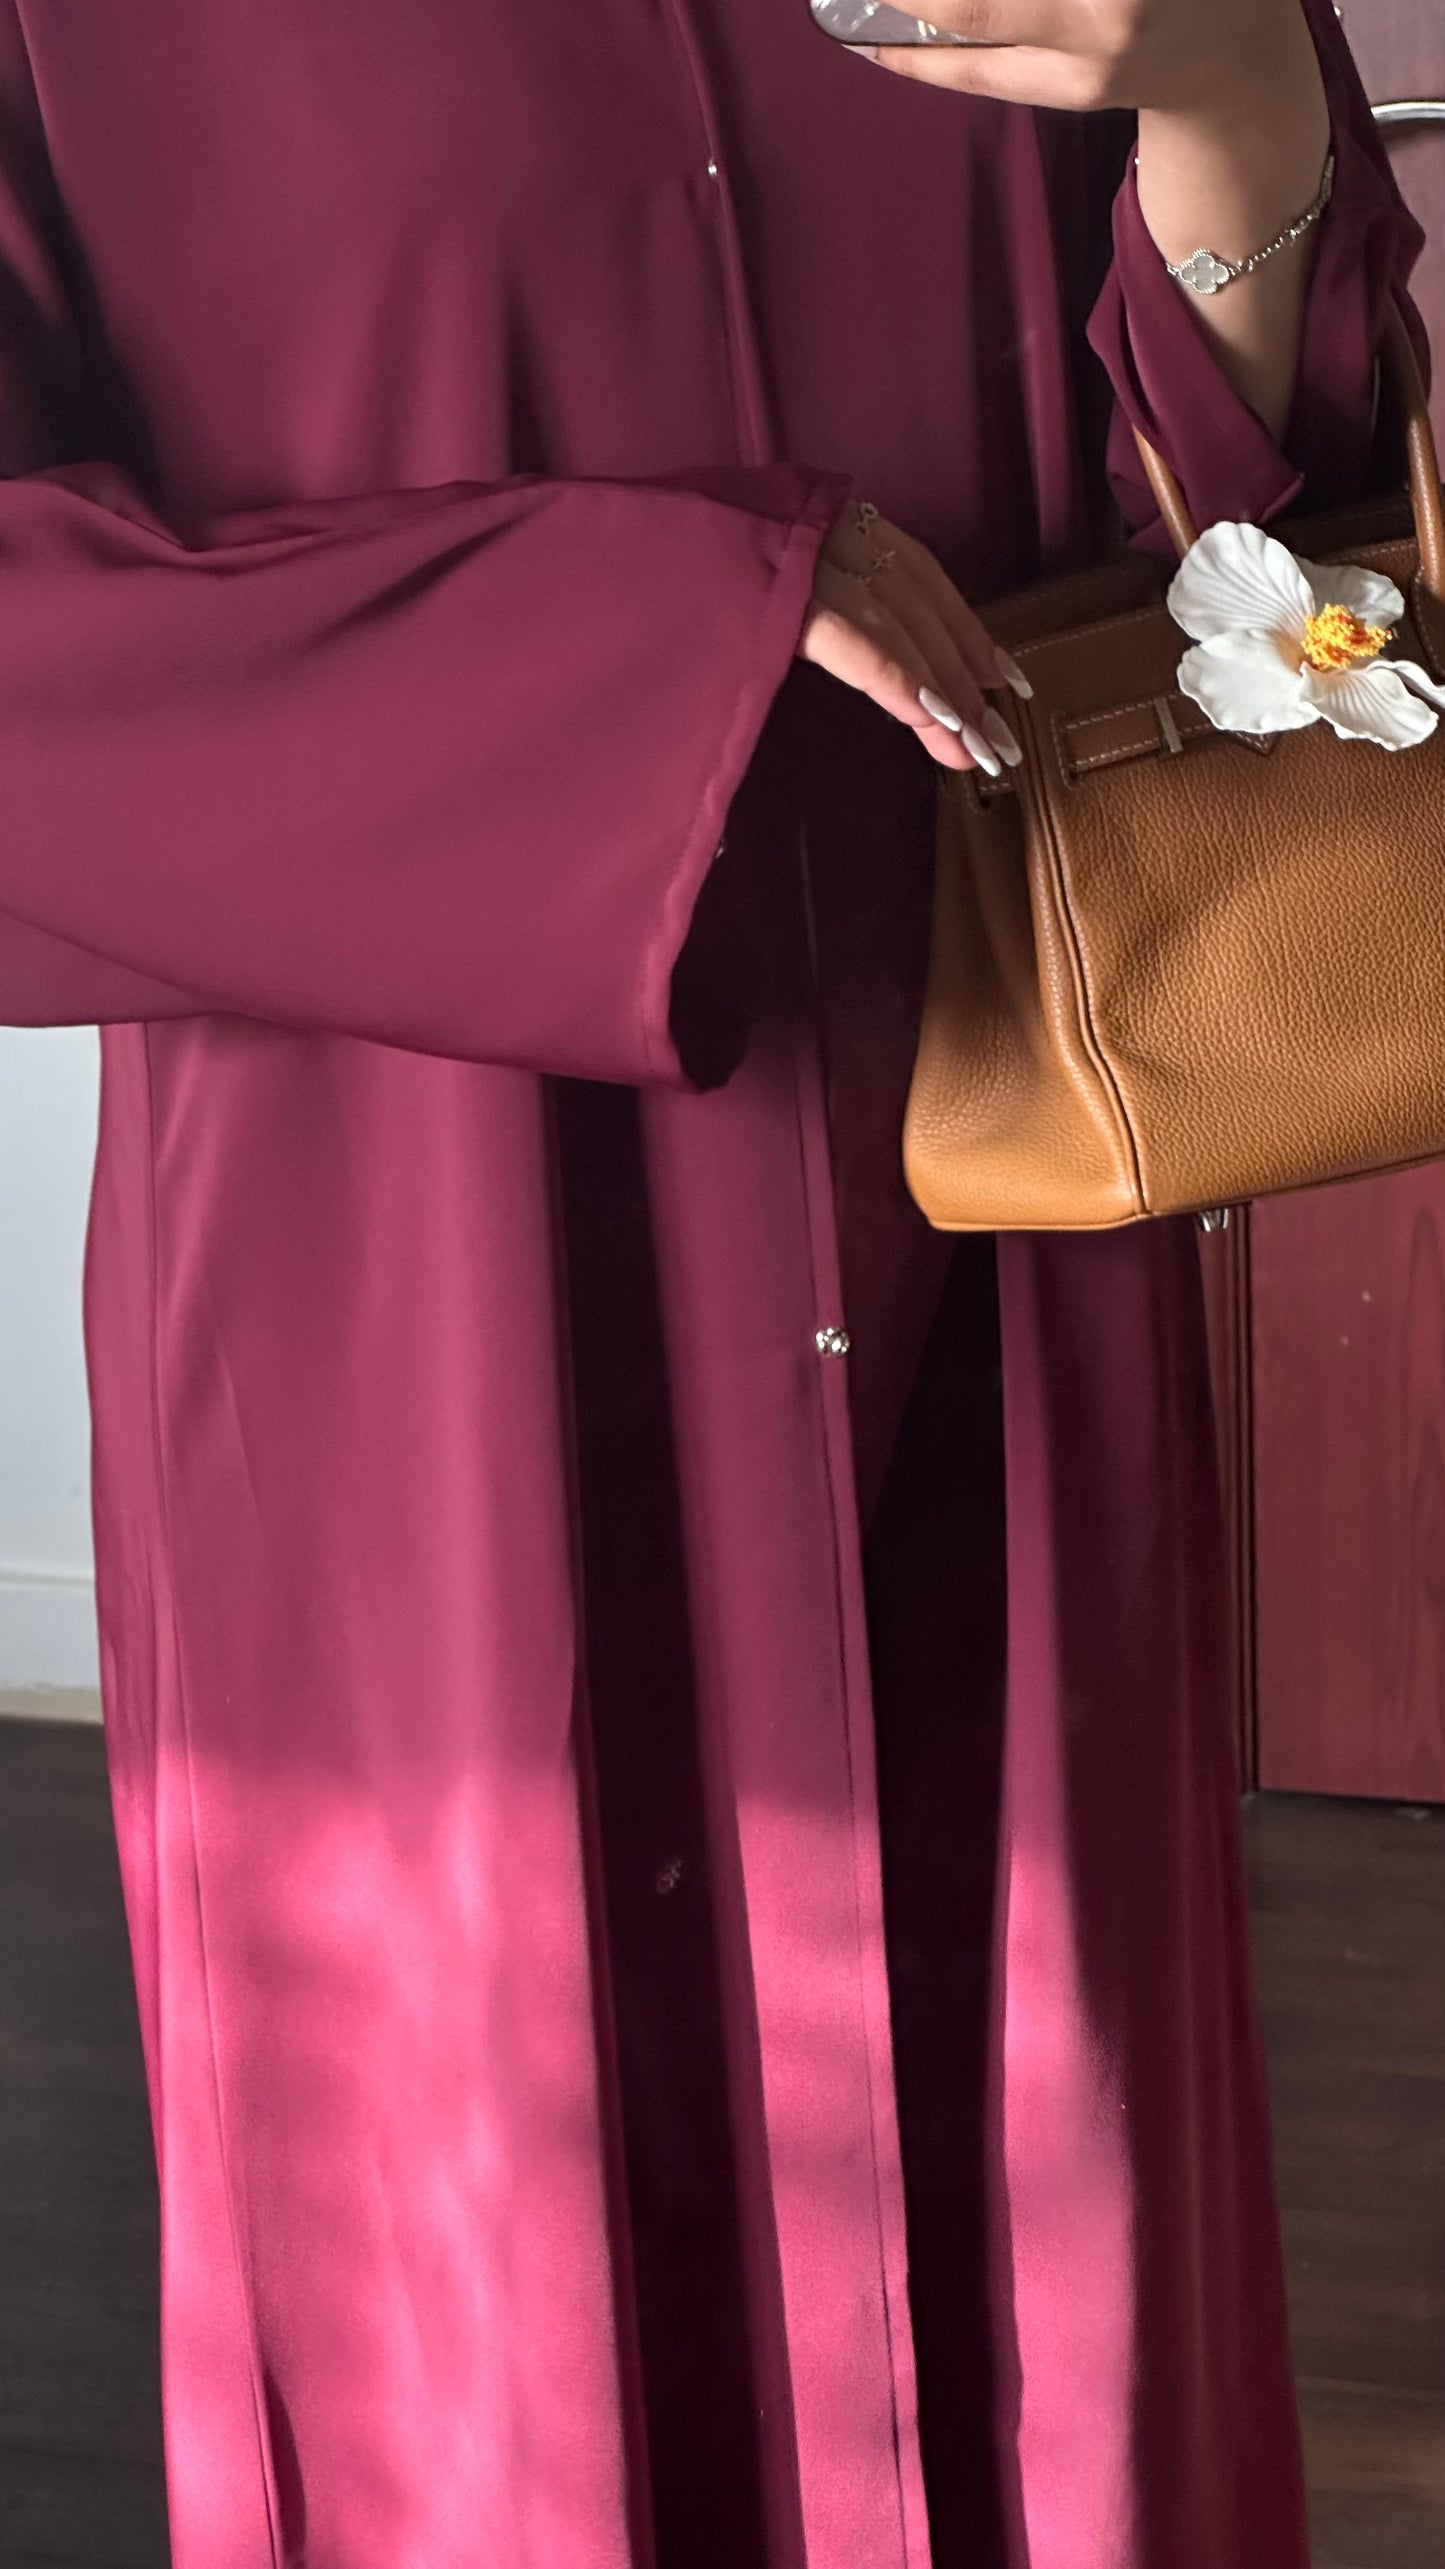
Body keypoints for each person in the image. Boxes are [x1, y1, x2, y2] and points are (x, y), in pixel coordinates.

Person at [0, 1, 1421, 2562]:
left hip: (989, 1204)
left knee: (1041, 2217)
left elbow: (1259, 535)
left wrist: (1232, 97)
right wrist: (649, 633)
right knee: (488, 2288)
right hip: (414, 1302)